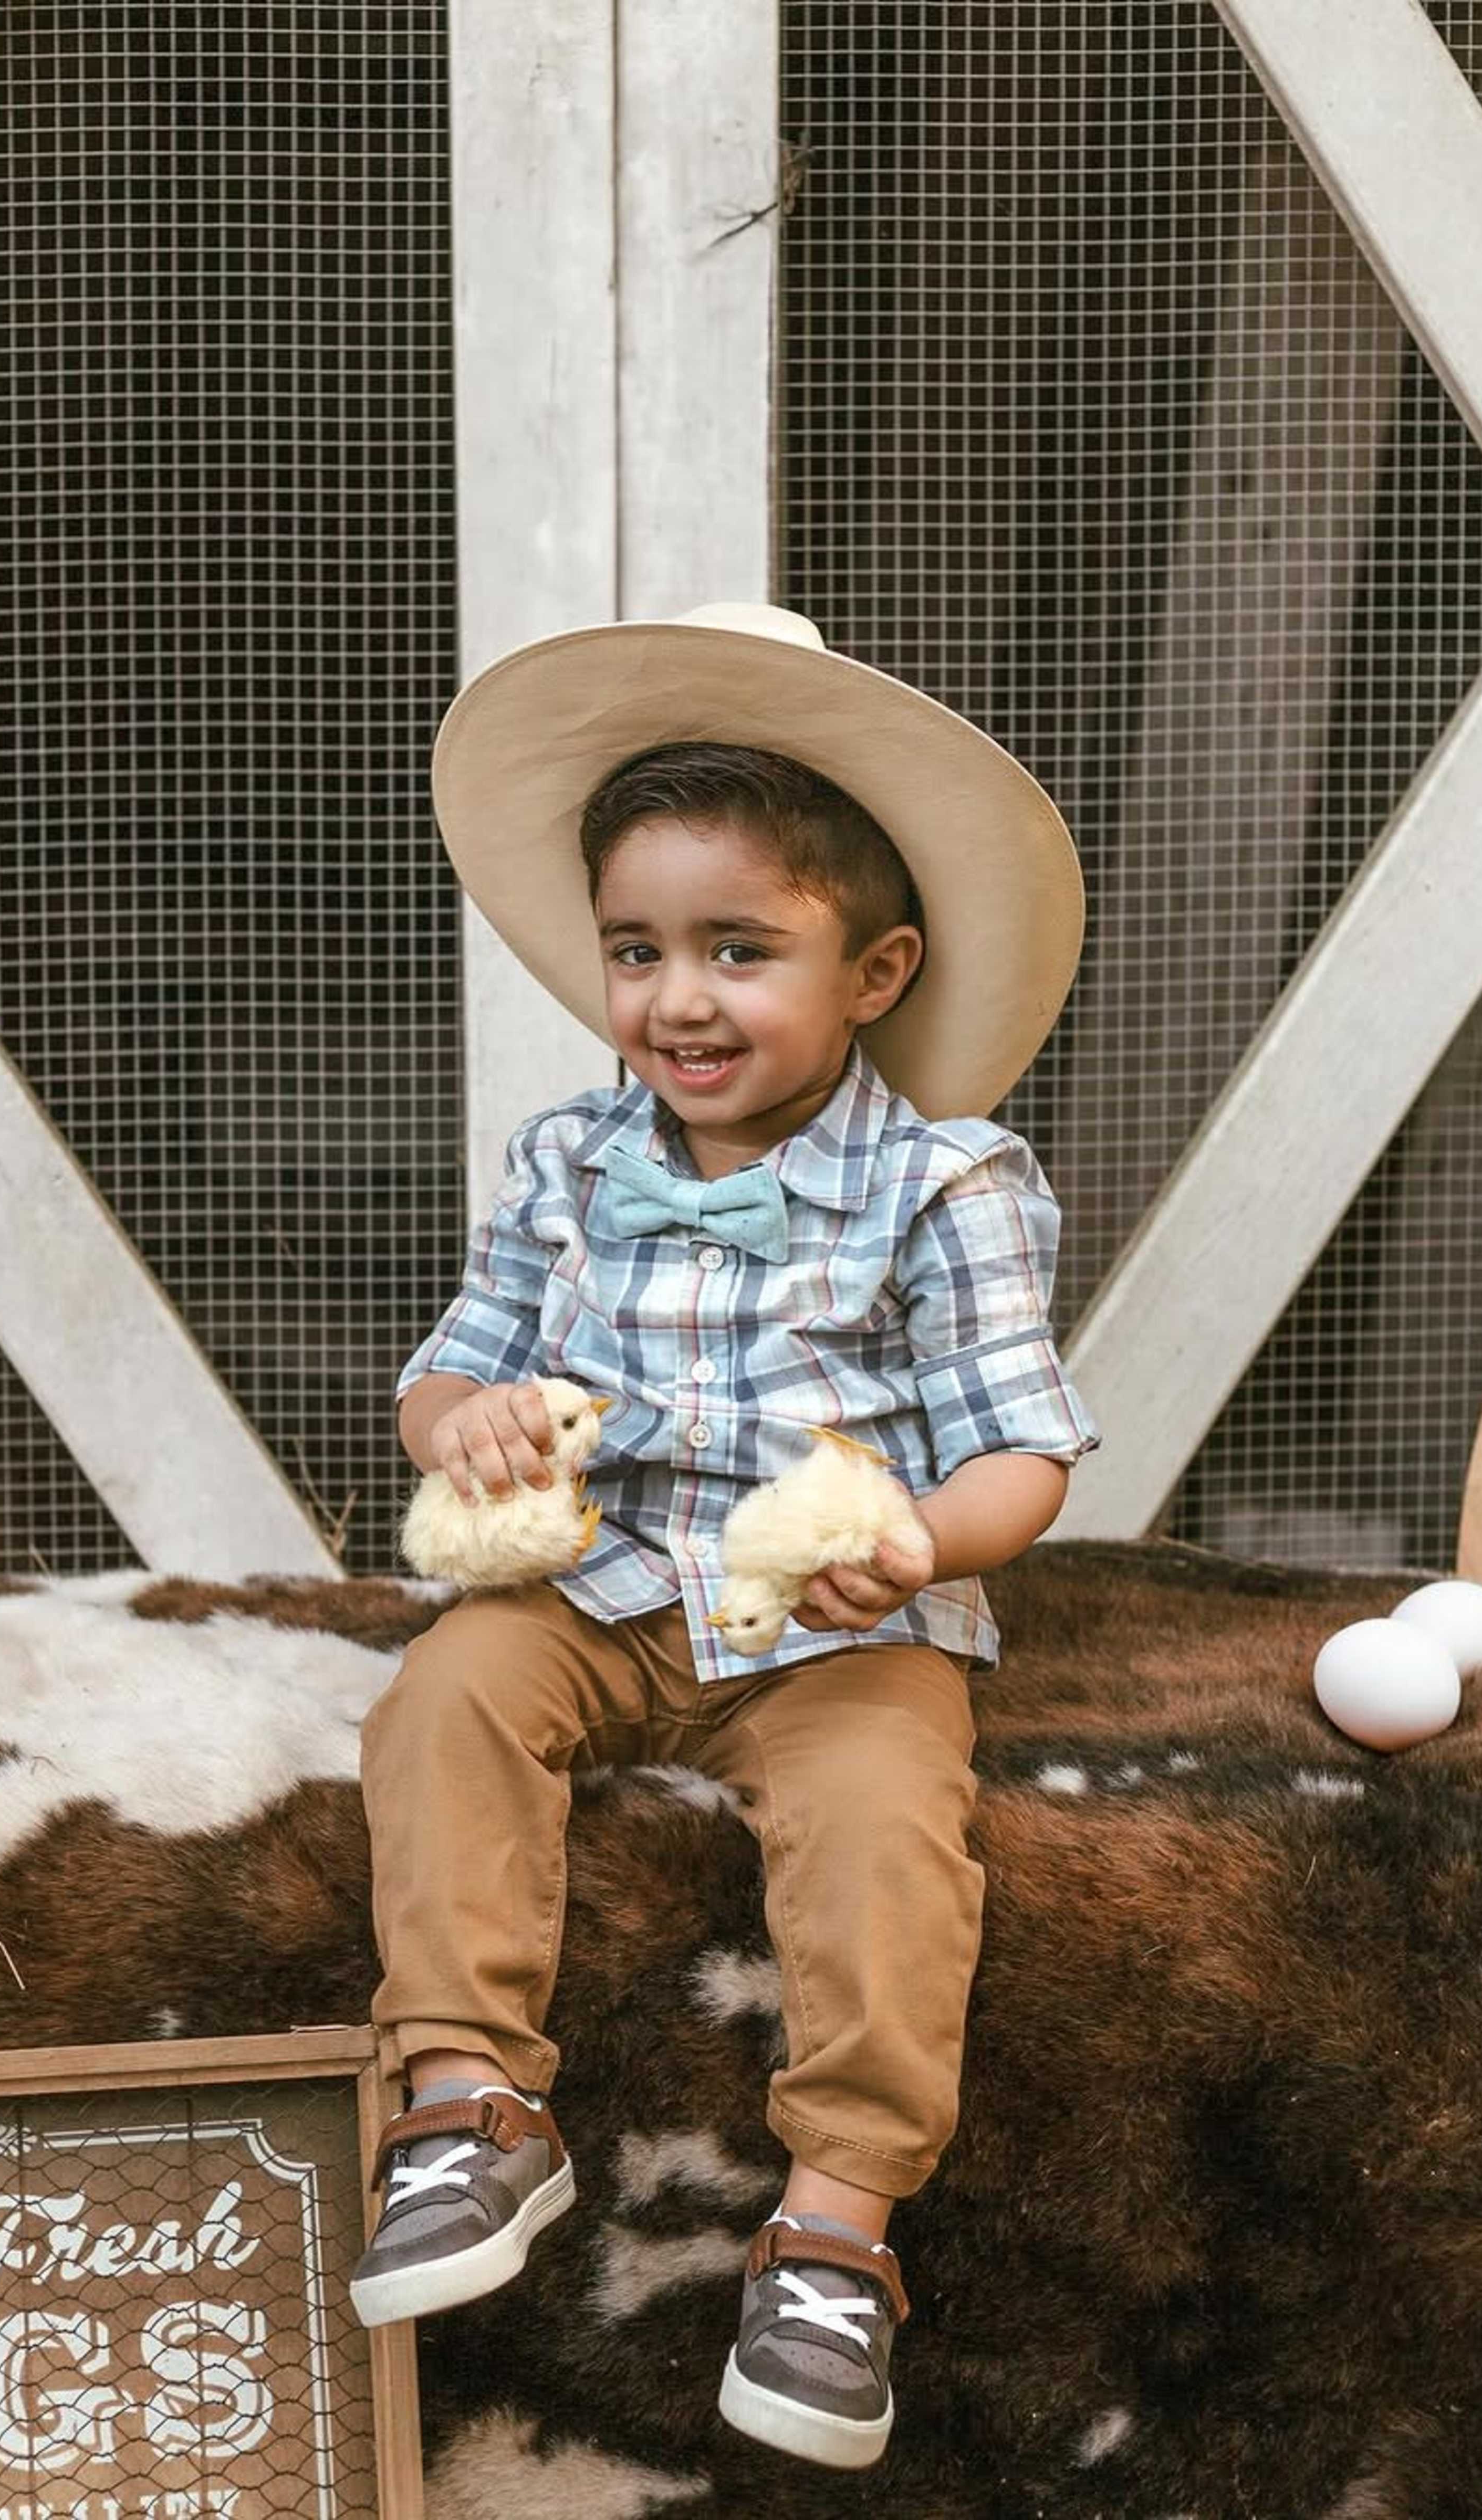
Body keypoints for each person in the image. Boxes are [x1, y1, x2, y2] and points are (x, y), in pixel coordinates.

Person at [348, 603, 1098, 2471]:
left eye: (739, 950)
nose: (678, 998)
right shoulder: (563, 1162)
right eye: (638, 951)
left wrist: (921, 1550)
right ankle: (467, 2109)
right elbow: (446, 1377)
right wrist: (479, 1424)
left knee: (884, 1837)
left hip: (835, 1624)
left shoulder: (950, 1184)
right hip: (592, 1583)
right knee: (444, 1699)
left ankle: (839, 2227)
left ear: (874, 969)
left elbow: (1024, 1453)